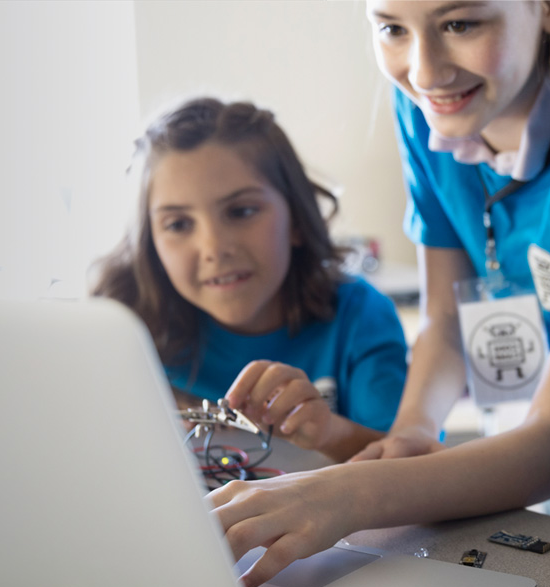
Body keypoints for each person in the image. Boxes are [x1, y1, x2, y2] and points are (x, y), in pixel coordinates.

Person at [347, 0, 550, 463]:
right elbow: (447, 318)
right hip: (522, 446)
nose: (425, 73)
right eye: (392, 29)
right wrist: (412, 430)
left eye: (459, 24)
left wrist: (360, 493)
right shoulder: (427, 110)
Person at [92, 97, 408, 463]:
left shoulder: (360, 317)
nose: (214, 248)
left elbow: (413, 468)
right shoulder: (123, 334)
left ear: (296, 220)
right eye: (178, 224)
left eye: (241, 211)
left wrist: (329, 432)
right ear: (151, 244)